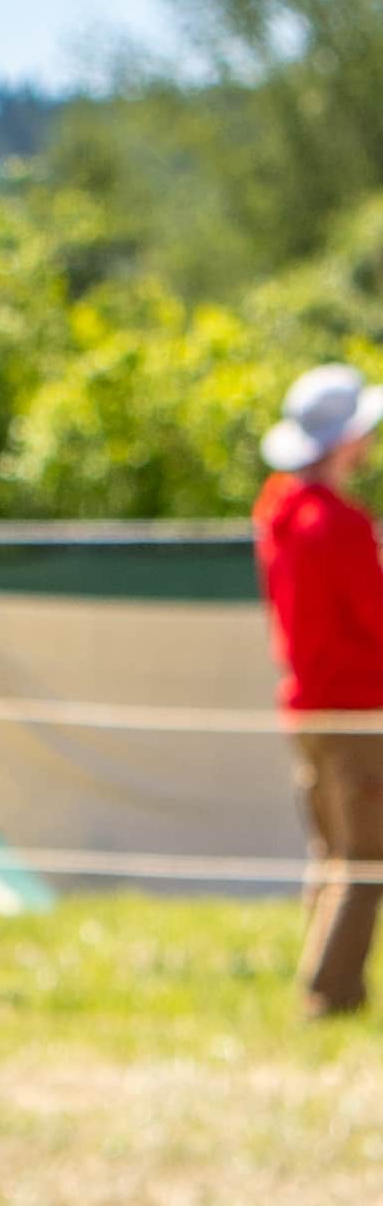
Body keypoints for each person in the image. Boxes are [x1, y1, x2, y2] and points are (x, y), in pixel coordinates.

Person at [252, 352, 383, 1017]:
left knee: (333, 850)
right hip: (355, 711)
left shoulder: (280, 510)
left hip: (307, 706)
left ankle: (318, 980)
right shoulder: (337, 524)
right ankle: (330, 995)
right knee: (364, 859)